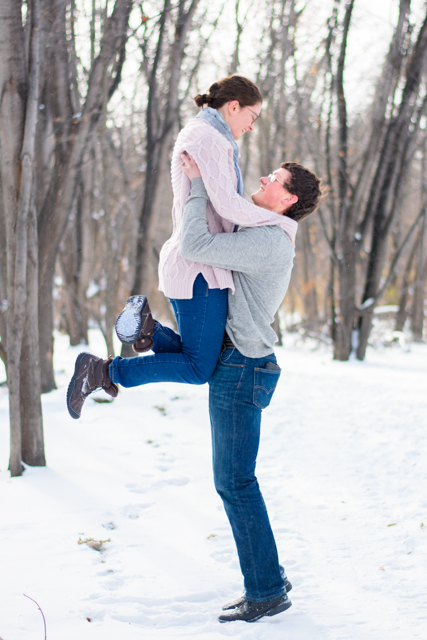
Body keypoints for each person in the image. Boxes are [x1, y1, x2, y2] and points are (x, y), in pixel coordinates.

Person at [67, 75, 297, 420]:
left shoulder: (210, 135)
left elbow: (223, 205)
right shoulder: (209, 139)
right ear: (233, 107)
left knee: (201, 358)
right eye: (252, 116)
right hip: (198, 267)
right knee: (198, 367)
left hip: (202, 265)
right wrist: (280, 222)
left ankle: (147, 330)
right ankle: (103, 372)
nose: (251, 127)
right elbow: (228, 206)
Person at [179, 154, 321, 623]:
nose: (264, 178)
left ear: (289, 198)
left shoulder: (267, 241)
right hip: (240, 361)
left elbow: (196, 242)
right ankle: (270, 578)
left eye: (274, 179)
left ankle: (265, 590)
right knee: (237, 481)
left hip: (243, 367)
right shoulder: (261, 231)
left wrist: (198, 182)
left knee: (235, 482)